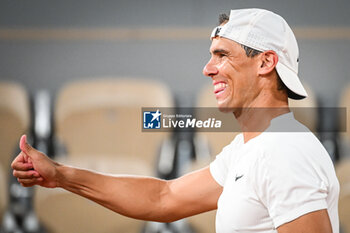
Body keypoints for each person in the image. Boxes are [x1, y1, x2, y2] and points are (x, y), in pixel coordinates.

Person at [11, 8, 339, 233]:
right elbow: (163, 198)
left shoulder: (284, 153)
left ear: (266, 62)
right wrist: (61, 175)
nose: (207, 69)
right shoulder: (251, 148)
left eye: (222, 55)